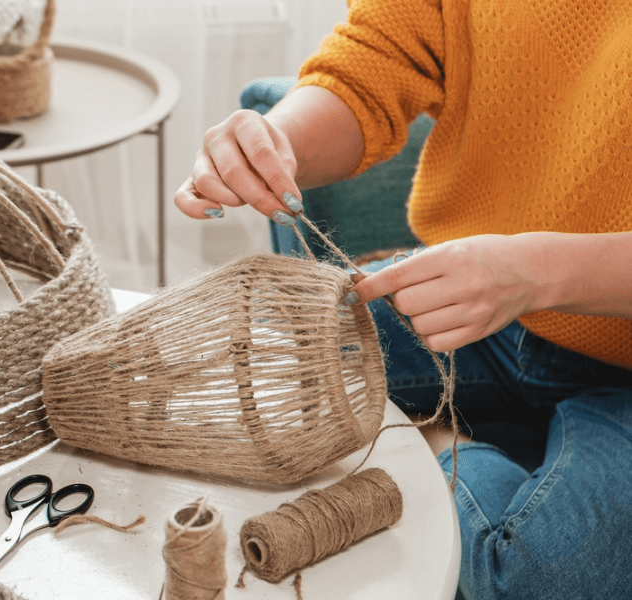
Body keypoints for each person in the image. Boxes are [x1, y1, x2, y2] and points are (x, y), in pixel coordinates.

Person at [174, 1, 632, 598]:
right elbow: (375, 63)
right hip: (479, 297)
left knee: (538, 579)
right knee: (242, 375)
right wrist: (277, 142)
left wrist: (538, 270)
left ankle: (437, 436)